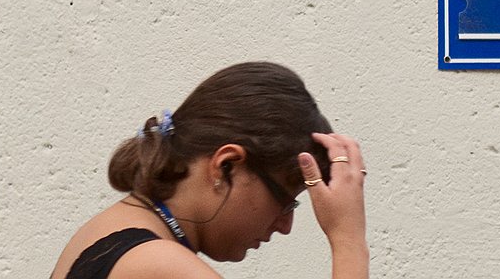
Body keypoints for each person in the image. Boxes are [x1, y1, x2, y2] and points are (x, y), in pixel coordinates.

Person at [50, 62, 368, 279]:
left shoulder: (110, 231)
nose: (286, 226)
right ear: (226, 166)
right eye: (284, 201)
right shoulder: (160, 266)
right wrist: (348, 240)